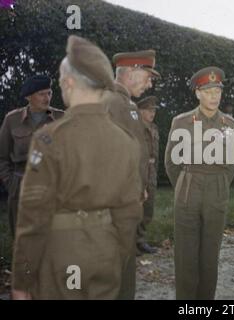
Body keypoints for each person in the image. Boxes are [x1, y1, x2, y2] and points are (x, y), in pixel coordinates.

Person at [11, 35, 142, 300]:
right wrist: (117, 254)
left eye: (60, 80)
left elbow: (33, 218)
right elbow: (130, 212)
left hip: (62, 255)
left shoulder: (49, 139)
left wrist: (23, 279)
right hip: (106, 251)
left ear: (69, 82)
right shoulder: (127, 142)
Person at [164, 66, 234, 300]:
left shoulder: (231, 125)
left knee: (210, 256)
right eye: (208, 91)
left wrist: (219, 185)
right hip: (189, 188)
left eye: (217, 91)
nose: (214, 96)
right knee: (186, 256)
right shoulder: (182, 122)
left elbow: (233, 163)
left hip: (217, 189)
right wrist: (185, 184)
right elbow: (171, 162)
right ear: (198, 94)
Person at [105, 49, 160, 299]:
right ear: (131, 72)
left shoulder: (121, 103)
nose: (150, 83)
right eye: (148, 76)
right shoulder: (117, 104)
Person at [0, 75, 64, 237]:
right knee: (22, 238)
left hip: (52, 186)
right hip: (20, 185)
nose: (47, 98)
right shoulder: (12, 120)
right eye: (41, 94)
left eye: (49, 93)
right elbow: (2, 156)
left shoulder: (61, 118)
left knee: (52, 238)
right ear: (29, 97)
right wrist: (11, 183)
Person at [136, 96, 160, 254]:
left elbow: (156, 154)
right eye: (149, 110)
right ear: (140, 111)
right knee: (136, 207)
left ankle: (140, 240)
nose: (152, 113)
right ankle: (130, 243)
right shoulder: (136, 128)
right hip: (139, 169)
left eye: (154, 111)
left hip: (151, 171)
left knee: (148, 208)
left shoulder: (154, 128)